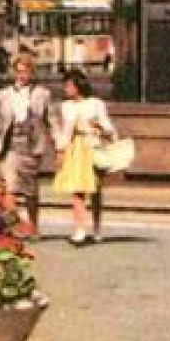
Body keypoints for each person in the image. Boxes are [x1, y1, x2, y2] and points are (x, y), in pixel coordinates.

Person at [53, 70, 117, 245]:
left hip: (93, 146)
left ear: (78, 86)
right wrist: (61, 151)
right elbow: (64, 131)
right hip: (76, 147)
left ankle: (96, 228)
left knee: (95, 189)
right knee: (77, 189)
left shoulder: (96, 104)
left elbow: (108, 127)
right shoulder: (66, 106)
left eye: (69, 85)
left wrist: (97, 127)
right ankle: (80, 228)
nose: (66, 89)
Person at [0, 53, 52, 232]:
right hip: (10, 145)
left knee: (31, 191)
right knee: (10, 187)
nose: (21, 76)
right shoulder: (4, 94)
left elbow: (51, 121)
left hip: (31, 145)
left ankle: (33, 225)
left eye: (25, 72)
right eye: (18, 72)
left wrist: (60, 146)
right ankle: (13, 225)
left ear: (32, 72)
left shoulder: (42, 94)